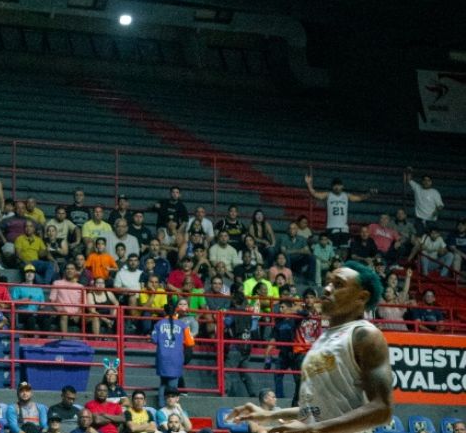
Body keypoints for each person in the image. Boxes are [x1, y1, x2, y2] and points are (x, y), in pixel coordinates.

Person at [227, 261, 394, 433]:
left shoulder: (365, 335)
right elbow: (314, 410)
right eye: (328, 282)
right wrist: (268, 415)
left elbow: (383, 409)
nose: (327, 289)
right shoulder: (322, 340)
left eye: (338, 284)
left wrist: (315, 429)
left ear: (362, 297)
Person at [302, 175, 374, 248]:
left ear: (342, 186)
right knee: (331, 248)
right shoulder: (328, 195)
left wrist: (369, 194)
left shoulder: (346, 195)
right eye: (335, 186)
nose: (337, 187)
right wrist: (309, 184)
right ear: (332, 187)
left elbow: (359, 198)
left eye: (339, 185)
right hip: (331, 227)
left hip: (344, 228)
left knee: (344, 248)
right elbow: (315, 194)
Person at [152, 300, 194, 406]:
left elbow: (154, 339)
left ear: (164, 312)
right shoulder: (182, 325)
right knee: (172, 387)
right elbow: (190, 342)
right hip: (176, 358)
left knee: (163, 384)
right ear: (176, 312)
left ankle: (161, 408)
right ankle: (170, 410)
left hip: (162, 358)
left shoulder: (158, 324)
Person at [403, 168, 444, 233]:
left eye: (428, 180)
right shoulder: (417, 188)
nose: (426, 182)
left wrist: (436, 211)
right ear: (422, 181)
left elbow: (440, 205)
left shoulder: (435, 192)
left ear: (431, 182)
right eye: (424, 180)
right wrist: (409, 171)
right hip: (419, 220)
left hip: (431, 221)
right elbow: (409, 179)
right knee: (419, 238)